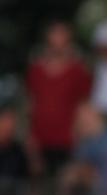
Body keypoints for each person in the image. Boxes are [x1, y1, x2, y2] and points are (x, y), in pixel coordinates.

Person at [26, 21, 93, 176]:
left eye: (62, 37)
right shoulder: (36, 70)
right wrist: (30, 138)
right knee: (36, 184)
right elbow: (31, 103)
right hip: (40, 139)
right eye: (54, 37)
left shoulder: (77, 70)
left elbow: (84, 105)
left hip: (68, 140)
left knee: (66, 185)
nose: (58, 43)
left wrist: (80, 136)